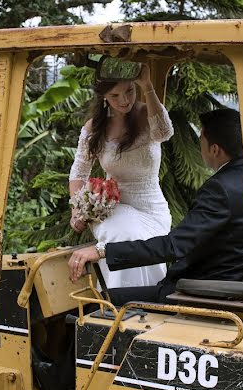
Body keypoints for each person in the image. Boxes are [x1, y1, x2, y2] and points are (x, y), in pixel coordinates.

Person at [68, 108, 243, 306]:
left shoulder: (219, 189)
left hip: (207, 290)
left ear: (215, 149)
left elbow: (175, 246)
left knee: (101, 304)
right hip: (236, 281)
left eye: (201, 140)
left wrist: (102, 251)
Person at [69, 64, 174, 289]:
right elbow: (79, 172)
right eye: (114, 95)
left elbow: (165, 132)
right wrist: (77, 210)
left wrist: (147, 87)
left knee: (146, 243)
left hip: (152, 209)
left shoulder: (148, 113)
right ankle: (119, 304)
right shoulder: (95, 127)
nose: (124, 100)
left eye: (129, 91)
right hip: (111, 208)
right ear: (104, 97)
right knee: (125, 233)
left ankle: (149, 301)